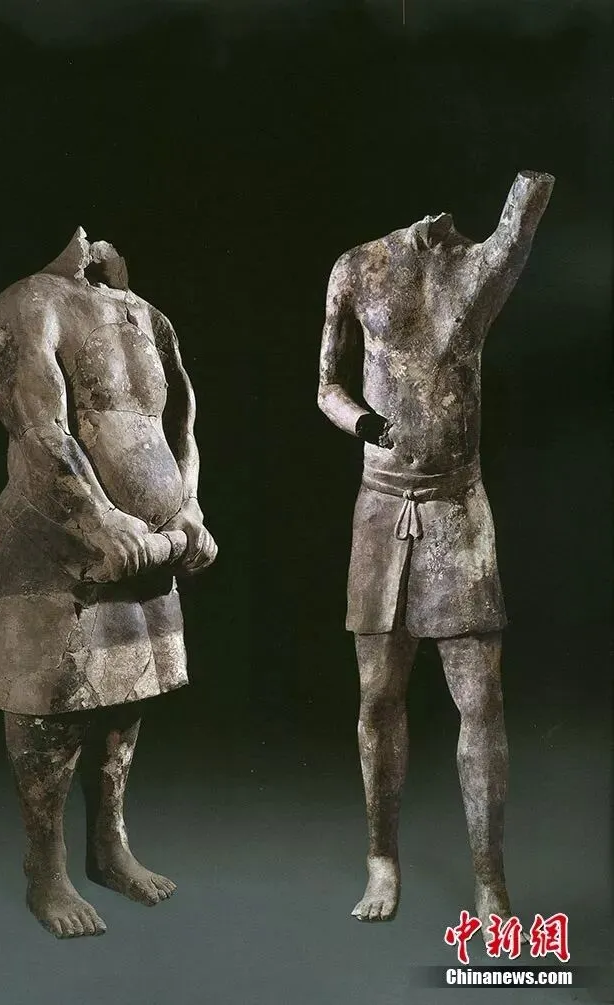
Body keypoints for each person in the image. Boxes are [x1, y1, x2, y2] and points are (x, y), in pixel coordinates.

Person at [0, 228, 217, 938]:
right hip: (51, 541)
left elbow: (180, 422)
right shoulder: (31, 303)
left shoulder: (147, 315)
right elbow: (38, 426)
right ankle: (46, 869)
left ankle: (109, 844)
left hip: (143, 551)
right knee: (55, 709)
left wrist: (188, 507)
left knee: (126, 695)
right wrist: (100, 520)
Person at [317, 171, 554, 929]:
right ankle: (381, 859)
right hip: (382, 505)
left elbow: (516, 229)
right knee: (377, 696)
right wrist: (362, 422)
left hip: (457, 507)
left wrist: (531, 188)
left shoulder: (476, 270)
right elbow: (326, 385)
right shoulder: (358, 266)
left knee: (480, 701)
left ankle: (490, 880)